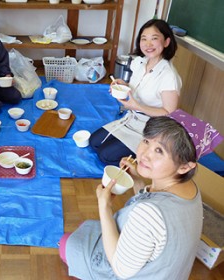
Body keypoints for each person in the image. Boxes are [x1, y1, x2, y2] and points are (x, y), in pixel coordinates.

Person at [59, 109, 224, 280]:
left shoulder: (147, 213)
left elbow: (120, 269)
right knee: (86, 230)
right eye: (146, 141)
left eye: (159, 151)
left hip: (126, 270)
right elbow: (155, 224)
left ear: (185, 167)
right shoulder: (191, 188)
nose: (144, 154)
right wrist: (138, 181)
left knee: (66, 244)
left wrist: (104, 206)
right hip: (167, 271)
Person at [89, 19, 182, 166]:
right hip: (131, 118)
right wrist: (124, 85)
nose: (148, 44)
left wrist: (137, 106)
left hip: (151, 128)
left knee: (105, 156)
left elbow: (169, 113)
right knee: (94, 142)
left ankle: (149, 154)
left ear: (166, 42)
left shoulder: (169, 76)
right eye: (144, 39)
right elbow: (139, 88)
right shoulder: (140, 62)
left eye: (154, 39)